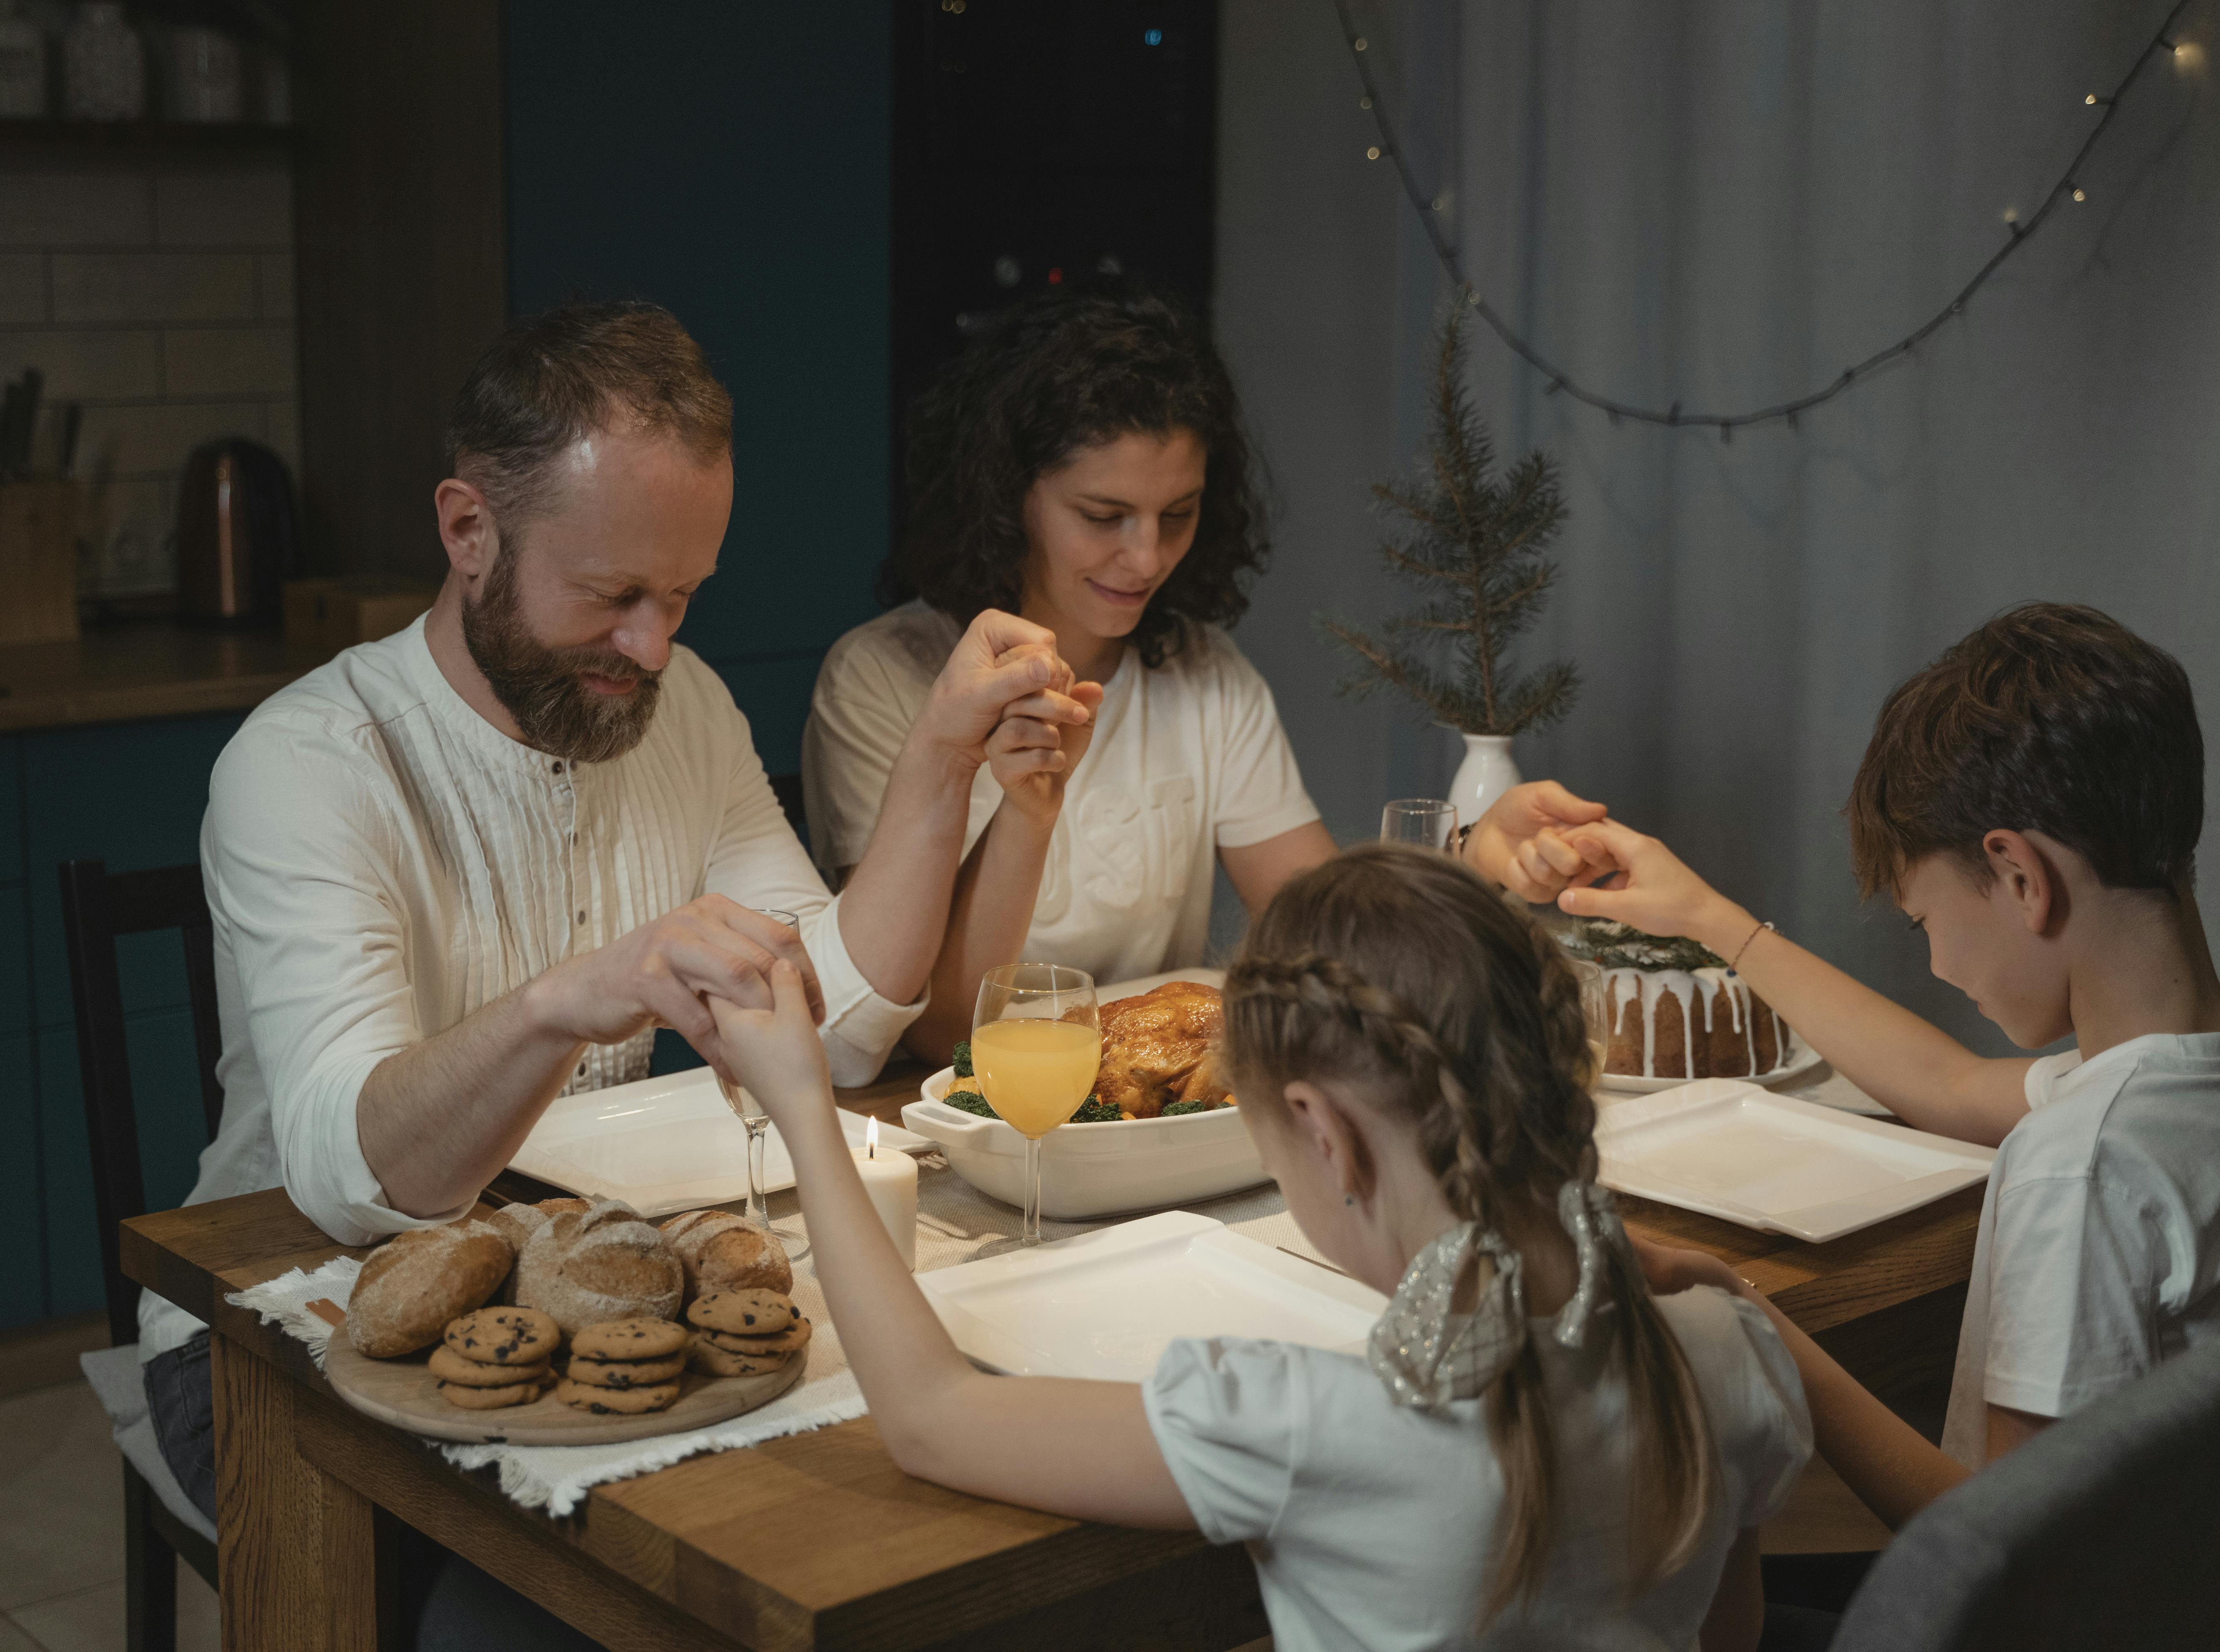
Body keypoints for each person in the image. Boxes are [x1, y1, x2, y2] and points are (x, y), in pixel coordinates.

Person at [137, 301, 1081, 1635]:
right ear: (470, 532)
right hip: (273, 1327)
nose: (653, 646)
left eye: (684, 594)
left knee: (855, 1546)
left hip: (585, 1281)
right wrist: (565, 998)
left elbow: (843, 1030)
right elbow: (363, 1181)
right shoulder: (308, 764)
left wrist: (940, 760)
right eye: (612, 595)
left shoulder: (681, 706)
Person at [708, 844, 1809, 1651]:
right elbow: (1730, 1634)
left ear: (1324, 1134)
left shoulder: (1308, 1420)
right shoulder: (1725, 1351)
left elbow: (931, 1418)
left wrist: (807, 1108)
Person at [803, 284, 1610, 1060]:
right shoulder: (882, 678)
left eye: (1177, 514)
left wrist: (1467, 858)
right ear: (1007, 493)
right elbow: (940, 1035)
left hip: (1156, 1105)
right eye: (1102, 516)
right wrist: (1026, 814)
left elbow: (1323, 929)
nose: (1146, 557)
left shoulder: (1204, 671)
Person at [1560, 603, 2220, 1532]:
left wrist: (1756, 1324)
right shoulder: (2157, 1093)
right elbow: (1945, 1084)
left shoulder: (2082, 1164)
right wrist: (1712, 919)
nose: (1938, 965)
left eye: (1923, 925)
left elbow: (2003, 1550)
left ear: (2020, 879)